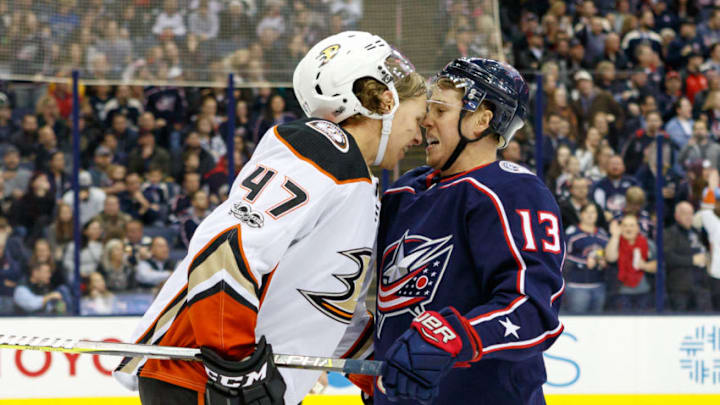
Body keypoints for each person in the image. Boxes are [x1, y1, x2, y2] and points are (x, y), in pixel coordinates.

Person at [114, 31, 427, 405]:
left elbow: (326, 304)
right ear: (381, 98)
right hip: (202, 378)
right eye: (419, 115)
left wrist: (379, 372)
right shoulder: (322, 147)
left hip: (224, 380)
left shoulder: (356, 182)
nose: (420, 135)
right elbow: (225, 249)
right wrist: (236, 367)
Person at [373, 58, 564, 405]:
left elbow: (532, 310)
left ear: (481, 120)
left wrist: (456, 335)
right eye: (428, 108)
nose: (426, 120)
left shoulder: (512, 191)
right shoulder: (404, 192)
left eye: (441, 110)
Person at [664, 201, 712, 312]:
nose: (689, 217)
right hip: (680, 289)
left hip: (700, 288)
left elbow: (704, 252)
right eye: (685, 213)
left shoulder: (696, 233)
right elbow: (668, 257)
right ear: (677, 216)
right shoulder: (669, 233)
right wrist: (692, 260)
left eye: (691, 213)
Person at [604, 215, 657, 312]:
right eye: (625, 226)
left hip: (644, 293)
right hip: (620, 294)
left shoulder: (648, 244)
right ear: (620, 228)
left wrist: (644, 265)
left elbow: (658, 266)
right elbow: (610, 258)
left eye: (632, 225)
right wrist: (615, 236)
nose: (628, 229)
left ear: (637, 228)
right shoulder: (615, 242)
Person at [563, 204, 609, 313]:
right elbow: (563, 258)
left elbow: (607, 256)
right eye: (587, 212)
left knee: (597, 324)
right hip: (577, 287)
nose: (590, 215)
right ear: (581, 214)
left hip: (599, 286)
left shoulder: (602, 234)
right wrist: (584, 262)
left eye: (593, 212)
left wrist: (603, 261)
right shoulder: (572, 233)